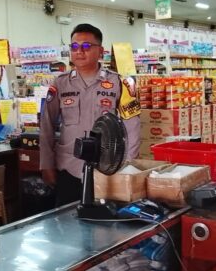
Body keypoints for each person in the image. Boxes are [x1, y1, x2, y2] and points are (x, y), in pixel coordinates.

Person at [40, 23, 141, 206]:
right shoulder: (61, 83)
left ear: (100, 51)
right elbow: (46, 125)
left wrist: (127, 165)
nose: (79, 51)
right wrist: (46, 164)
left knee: (105, 217)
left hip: (107, 168)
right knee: (66, 217)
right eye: (74, 46)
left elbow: (132, 126)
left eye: (86, 46)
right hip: (68, 166)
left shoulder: (120, 83)